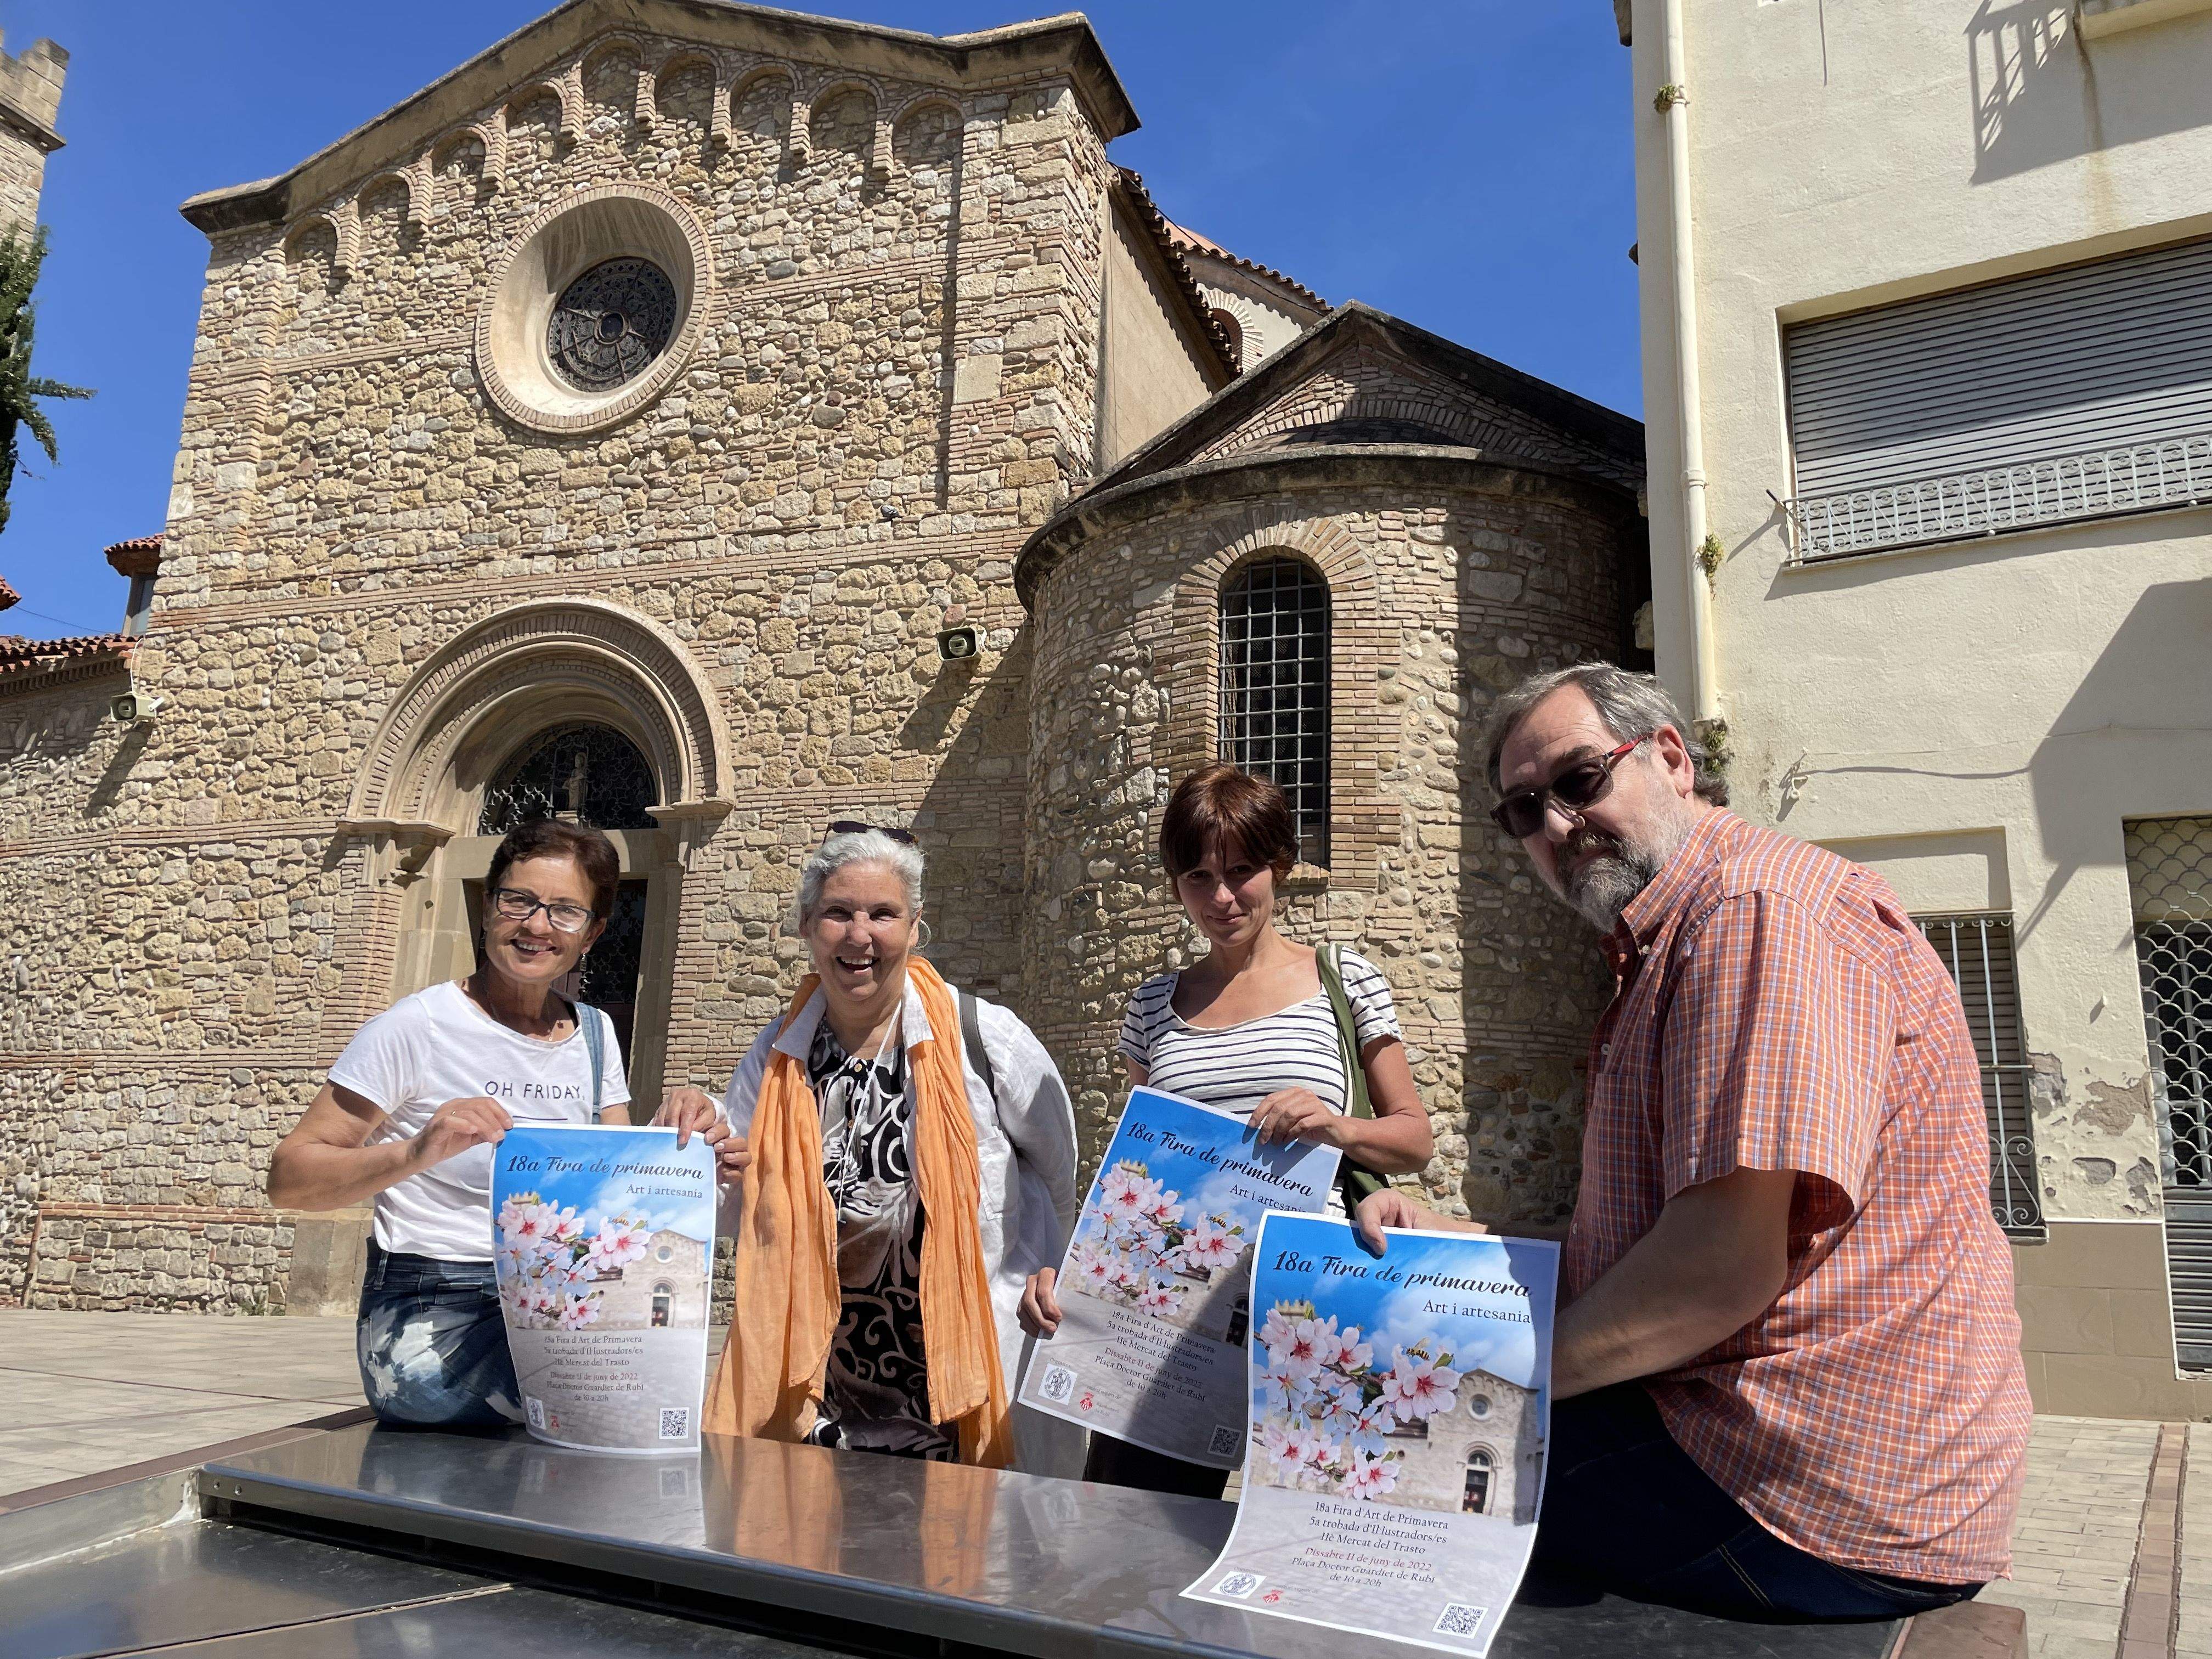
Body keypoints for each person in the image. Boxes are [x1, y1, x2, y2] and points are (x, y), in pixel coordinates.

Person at [1356, 662, 2030, 1621]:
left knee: (1376, 1448)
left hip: (1810, 1495)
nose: (1556, 824)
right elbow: (1645, 1244)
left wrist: (1478, 1372)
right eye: (1522, 809)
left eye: (1581, 779)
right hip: (1768, 1450)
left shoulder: (1751, 913)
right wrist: (1449, 1232)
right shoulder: (1669, 939)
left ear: (1670, 757)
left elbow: (1713, 1271)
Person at [1019, 763, 1435, 1499]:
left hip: (1314, 1299)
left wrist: (1337, 1128)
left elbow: (1413, 1139)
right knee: (1136, 1537)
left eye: (1242, 871)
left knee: (1310, 1531)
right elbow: (1138, 1175)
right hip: (1172, 1317)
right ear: (1175, 883)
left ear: (1280, 867)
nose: (1221, 896)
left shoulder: (1345, 979)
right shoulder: (1154, 1007)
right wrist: (1074, 1272)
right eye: (1198, 877)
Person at [267, 817, 735, 1427]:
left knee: (660, 1392)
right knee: (599, 1402)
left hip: (556, 1297)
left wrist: (687, 1148)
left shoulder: (595, 1035)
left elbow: (609, 1196)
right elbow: (290, 1178)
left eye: (565, 911)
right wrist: (415, 1153)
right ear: (490, 908)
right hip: (435, 1309)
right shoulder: (417, 1026)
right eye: (519, 901)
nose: (537, 925)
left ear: (592, 933)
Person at [696, 825, 1083, 1474]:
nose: (860, 935)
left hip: (960, 1391)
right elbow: (729, 1199)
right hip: (822, 1401)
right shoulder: (775, 1056)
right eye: (838, 913)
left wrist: (1054, 1268)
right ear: (806, 926)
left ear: (915, 926)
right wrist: (700, 1134)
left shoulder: (986, 1041)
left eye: (883, 914)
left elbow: (1060, 1172)